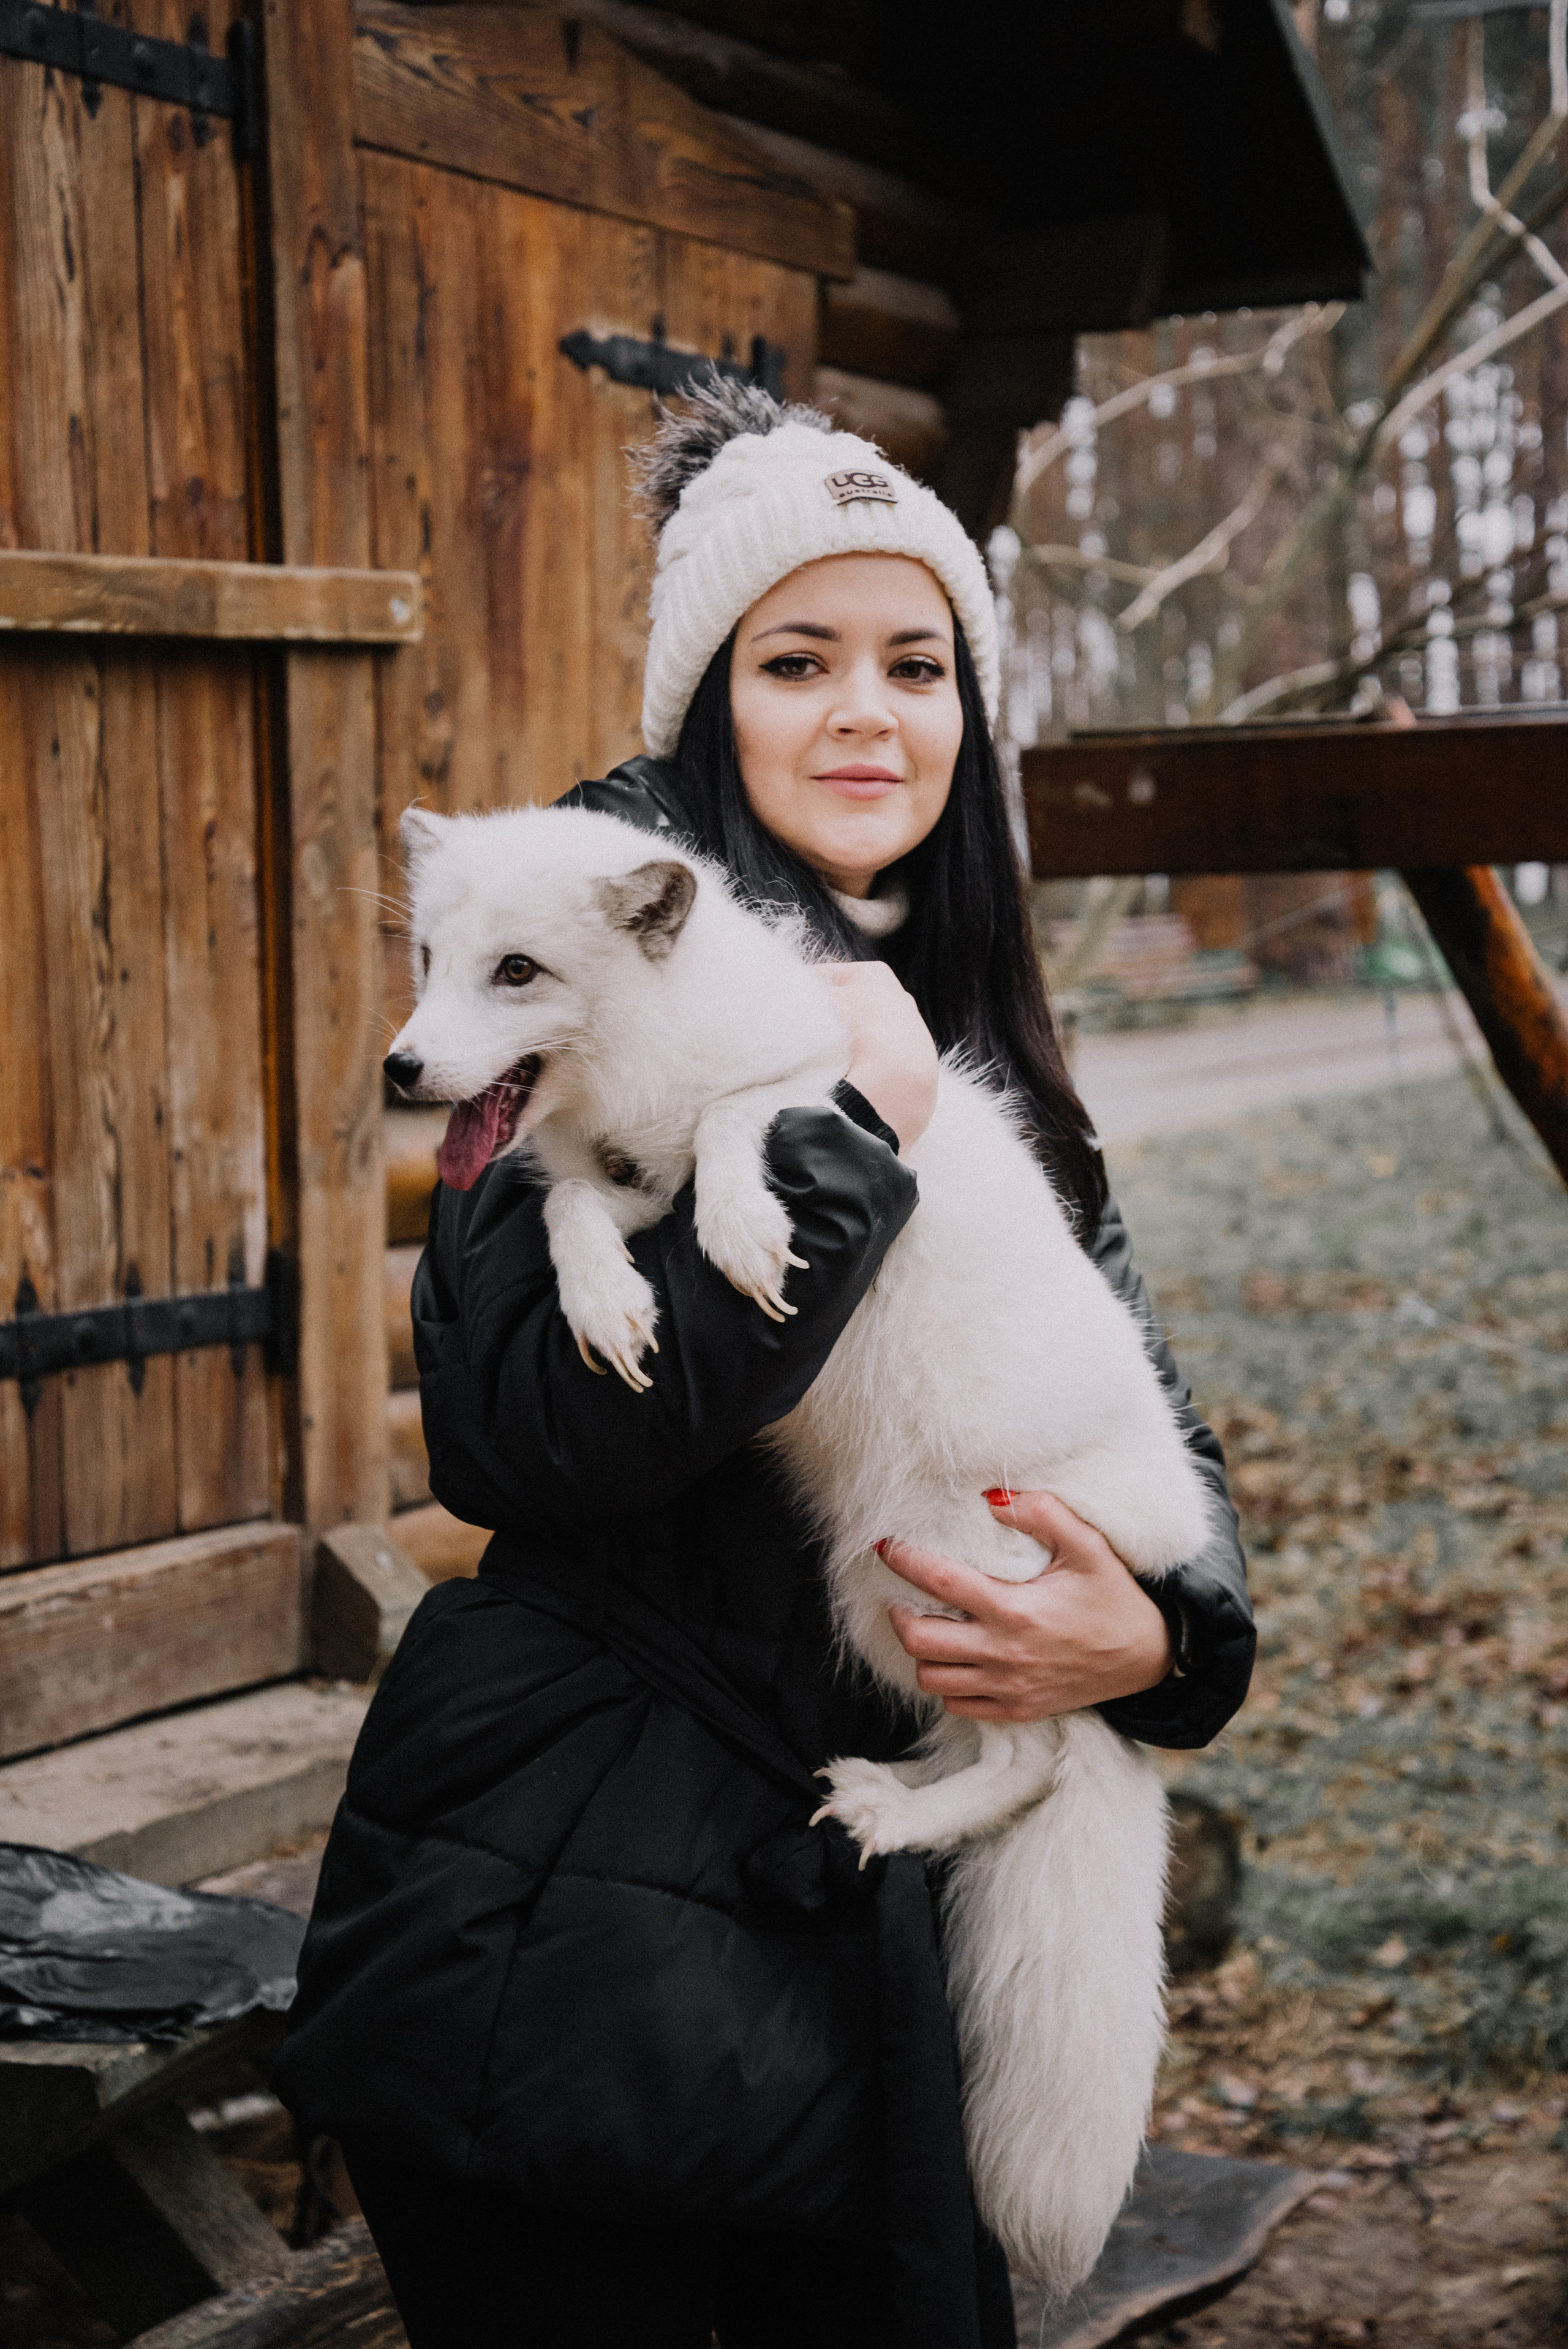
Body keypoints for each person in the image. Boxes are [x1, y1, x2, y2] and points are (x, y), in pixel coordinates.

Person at [272, 384, 1254, 2349]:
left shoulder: (960, 991)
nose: (867, 712)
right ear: (710, 696)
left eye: (918, 664)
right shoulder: (568, 937)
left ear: (973, 713)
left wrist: (1159, 1647)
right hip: (596, 1913)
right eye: (797, 661)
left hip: (850, 1895)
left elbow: (1143, 1405)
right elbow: (518, 1428)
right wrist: (840, 1132)